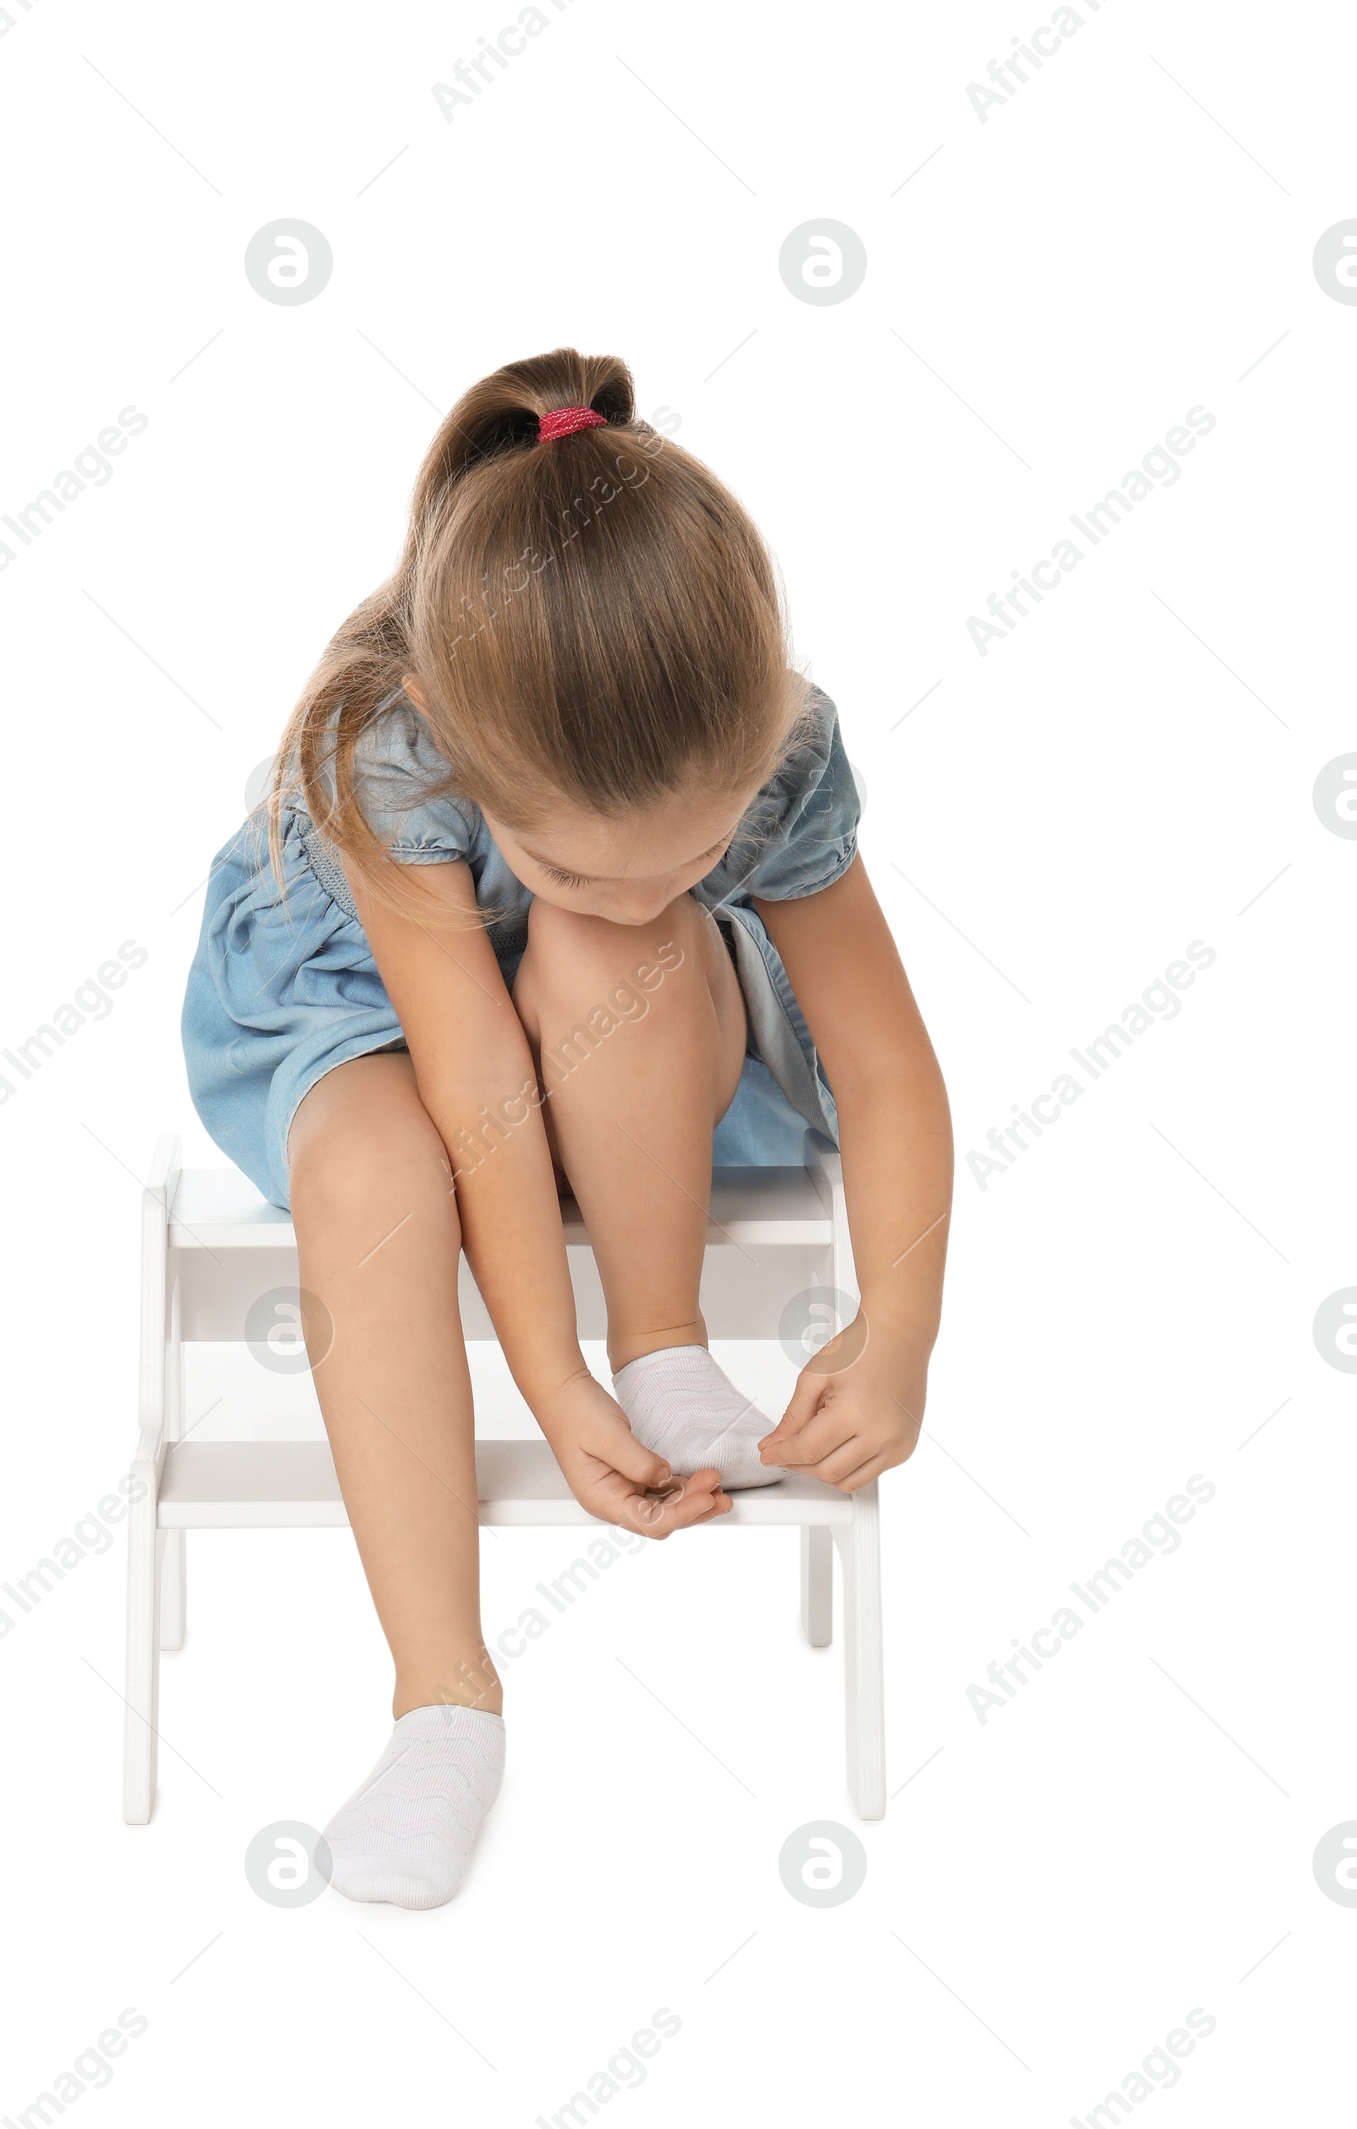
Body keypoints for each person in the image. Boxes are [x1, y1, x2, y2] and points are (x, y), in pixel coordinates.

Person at [182, 348, 953, 1908]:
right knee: (377, 1166)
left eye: (696, 850)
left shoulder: (784, 749)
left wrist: (901, 1327)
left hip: (646, 1047)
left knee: (622, 952)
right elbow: (470, 1077)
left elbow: (882, 1063)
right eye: (577, 861)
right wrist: (547, 1377)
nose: (640, 881)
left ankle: (667, 1340)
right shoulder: (390, 744)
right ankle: (444, 1698)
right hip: (368, 1005)